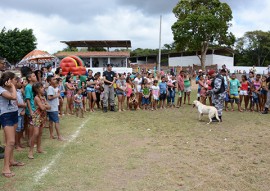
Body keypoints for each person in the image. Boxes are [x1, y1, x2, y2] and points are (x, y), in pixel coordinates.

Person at [0, 72, 25, 178]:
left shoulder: (13, 88)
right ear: (9, 80)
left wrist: (13, 87)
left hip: (14, 114)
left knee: (11, 140)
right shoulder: (1, 90)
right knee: (10, 142)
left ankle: (11, 160)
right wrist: (13, 87)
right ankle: (5, 168)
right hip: (6, 116)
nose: (17, 81)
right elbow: (13, 97)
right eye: (15, 79)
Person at [28, 82, 51, 159]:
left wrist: (45, 106)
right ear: (37, 90)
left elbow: (49, 106)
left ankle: (39, 148)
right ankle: (30, 151)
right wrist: (45, 106)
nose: (43, 88)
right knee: (36, 133)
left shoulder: (43, 97)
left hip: (42, 116)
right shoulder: (37, 98)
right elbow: (43, 108)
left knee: (40, 133)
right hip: (37, 117)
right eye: (41, 87)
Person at [46, 76, 64, 141]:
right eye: (53, 79)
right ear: (50, 82)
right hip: (52, 108)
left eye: (55, 79)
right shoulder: (50, 88)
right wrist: (58, 95)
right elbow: (49, 97)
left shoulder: (52, 88)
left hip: (52, 108)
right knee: (56, 122)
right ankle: (59, 136)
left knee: (51, 122)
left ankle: (51, 135)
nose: (55, 80)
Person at [25, 72, 37, 145]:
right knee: (31, 125)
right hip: (31, 109)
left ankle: (32, 140)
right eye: (34, 76)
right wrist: (30, 110)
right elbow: (28, 99)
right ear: (29, 78)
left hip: (35, 108)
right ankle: (30, 141)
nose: (35, 77)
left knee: (34, 125)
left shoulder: (34, 86)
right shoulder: (28, 87)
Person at [15, 77, 26, 151]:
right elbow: (15, 103)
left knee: (21, 128)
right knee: (17, 129)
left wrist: (24, 109)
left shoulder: (19, 91)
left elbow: (22, 99)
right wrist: (24, 105)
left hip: (21, 112)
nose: (21, 84)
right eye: (20, 82)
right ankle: (16, 144)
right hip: (17, 113)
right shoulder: (13, 92)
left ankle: (19, 143)